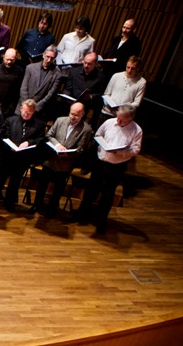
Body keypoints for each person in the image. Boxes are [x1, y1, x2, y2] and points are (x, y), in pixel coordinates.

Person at [75, 104, 142, 234]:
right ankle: (82, 215)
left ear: (130, 119)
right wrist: (102, 143)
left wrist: (120, 152)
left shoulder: (136, 130)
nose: (118, 121)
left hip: (116, 166)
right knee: (91, 190)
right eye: (118, 117)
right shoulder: (109, 122)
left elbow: (135, 149)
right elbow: (99, 134)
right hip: (101, 162)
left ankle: (100, 222)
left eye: (122, 120)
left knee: (107, 194)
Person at [29, 101, 93, 217]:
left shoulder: (86, 129)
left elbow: (81, 149)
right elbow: (49, 135)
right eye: (71, 114)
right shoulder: (60, 120)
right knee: (42, 184)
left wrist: (68, 154)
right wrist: (58, 145)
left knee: (58, 188)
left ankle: (51, 209)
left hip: (65, 162)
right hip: (51, 158)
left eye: (76, 115)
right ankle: (36, 205)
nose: (73, 117)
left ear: (82, 114)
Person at [0, 99, 46, 212]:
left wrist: (29, 142)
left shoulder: (39, 125)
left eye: (29, 113)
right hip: (8, 156)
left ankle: (9, 203)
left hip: (22, 159)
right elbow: (3, 136)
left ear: (33, 112)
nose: (26, 114)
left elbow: (41, 139)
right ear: (21, 108)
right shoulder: (10, 120)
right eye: (25, 111)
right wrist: (7, 147)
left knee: (15, 182)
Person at [17, 45, 60, 117]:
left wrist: (35, 107)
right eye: (47, 56)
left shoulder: (57, 74)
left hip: (38, 110)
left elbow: (50, 94)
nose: (49, 60)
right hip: (23, 107)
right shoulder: (30, 67)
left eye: (52, 58)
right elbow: (23, 88)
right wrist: (26, 105)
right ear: (43, 55)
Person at [61, 52, 107, 118]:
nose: (86, 65)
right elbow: (67, 88)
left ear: (96, 63)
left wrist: (91, 96)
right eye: (85, 62)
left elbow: (100, 93)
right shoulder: (74, 72)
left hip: (85, 105)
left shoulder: (100, 77)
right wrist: (66, 96)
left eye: (89, 64)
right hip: (70, 103)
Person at [0, 48, 24, 118]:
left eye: (12, 60)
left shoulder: (20, 71)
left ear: (15, 59)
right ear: (3, 57)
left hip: (9, 105)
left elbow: (19, 88)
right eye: (7, 59)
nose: (9, 62)